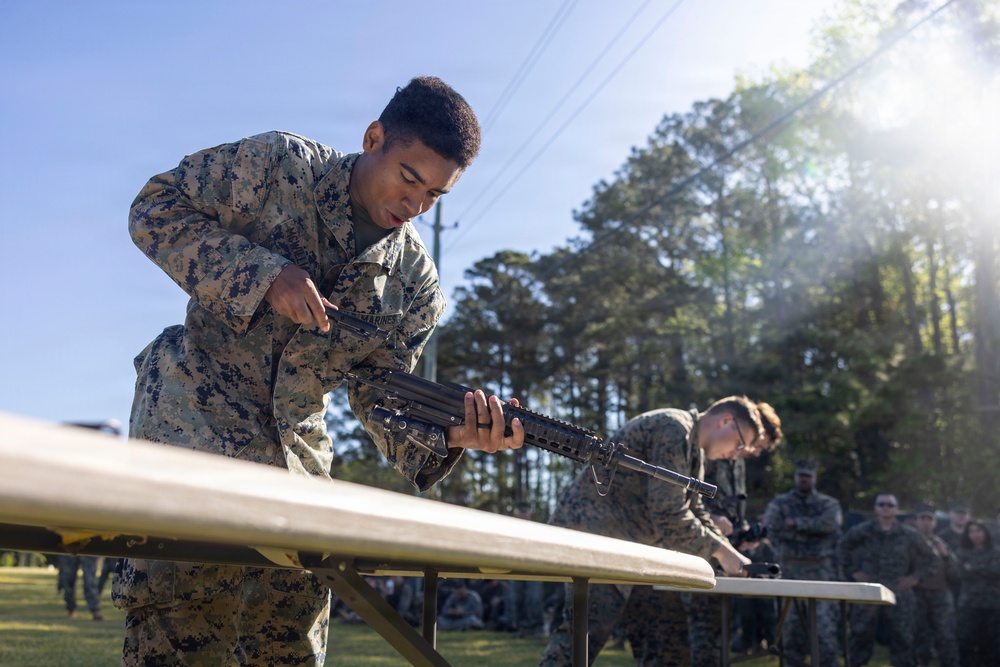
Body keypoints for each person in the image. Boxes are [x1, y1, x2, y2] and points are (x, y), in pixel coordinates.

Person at [112, 76, 526, 666]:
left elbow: (379, 395)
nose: (415, 205)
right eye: (410, 178)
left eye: (436, 195)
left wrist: (450, 433)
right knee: (183, 625)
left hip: (295, 454)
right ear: (374, 137)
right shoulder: (279, 165)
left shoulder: (415, 282)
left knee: (290, 641)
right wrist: (260, 274)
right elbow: (154, 208)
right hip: (193, 421)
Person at [538, 396, 766, 666]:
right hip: (597, 539)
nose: (737, 454)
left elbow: (695, 510)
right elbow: (668, 513)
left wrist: (729, 552)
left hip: (628, 548)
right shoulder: (675, 429)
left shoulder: (693, 448)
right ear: (726, 420)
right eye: (740, 444)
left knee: (664, 640)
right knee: (582, 641)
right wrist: (721, 553)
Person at [683, 401, 782, 667]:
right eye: (753, 444)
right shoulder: (708, 446)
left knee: (717, 635)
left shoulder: (736, 461)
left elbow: (729, 507)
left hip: (720, 554)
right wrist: (713, 521)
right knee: (696, 636)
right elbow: (685, 500)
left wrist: (742, 533)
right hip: (696, 550)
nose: (751, 451)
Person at [840, 493, 936, 667]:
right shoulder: (863, 530)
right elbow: (841, 548)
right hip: (868, 590)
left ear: (896, 509)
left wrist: (916, 577)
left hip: (898, 590)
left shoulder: (908, 533)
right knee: (860, 636)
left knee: (902, 638)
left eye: (890, 505)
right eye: (882, 504)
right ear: (876, 508)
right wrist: (852, 572)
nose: (886, 507)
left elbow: (931, 557)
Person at [763, 460, 843, 667]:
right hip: (789, 571)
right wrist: (810, 531)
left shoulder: (828, 504)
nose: (804, 479)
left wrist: (796, 524)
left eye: (808, 476)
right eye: (801, 475)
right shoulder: (780, 503)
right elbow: (773, 527)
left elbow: (829, 525)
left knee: (825, 630)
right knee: (790, 630)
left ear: (814, 478)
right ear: (796, 477)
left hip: (821, 573)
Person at [911, 503, 960, 667]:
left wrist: (946, 556)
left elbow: (955, 574)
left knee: (946, 637)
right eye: (922, 519)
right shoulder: (908, 542)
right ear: (916, 521)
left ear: (935, 523)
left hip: (940, 597)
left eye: (929, 519)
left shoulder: (941, 544)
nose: (926, 522)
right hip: (917, 596)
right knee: (919, 637)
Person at [955, 519, 1000, 666]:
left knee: (992, 644)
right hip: (969, 604)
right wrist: (983, 569)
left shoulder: (996, 551)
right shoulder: (962, 552)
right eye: (971, 531)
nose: (975, 535)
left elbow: (996, 571)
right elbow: (959, 573)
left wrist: (972, 568)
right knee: (966, 642)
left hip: (992, 604)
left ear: (985, 532)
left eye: (978, 530)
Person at [502, 503, 545, 637]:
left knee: (534, 598)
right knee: (516, 598)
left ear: (530, 513)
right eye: (521, 511)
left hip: (533, 569)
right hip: (516, 568)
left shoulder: (537, 530)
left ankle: (537, 628)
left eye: (525, 511)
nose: (523, 514)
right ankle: (521, 628)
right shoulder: (511, 530)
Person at [57, 554, 103, 621]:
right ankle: (71, 609)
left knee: (89, 583)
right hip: (69, 547)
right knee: (68, 581)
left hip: (88, 550)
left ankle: (95, 610)